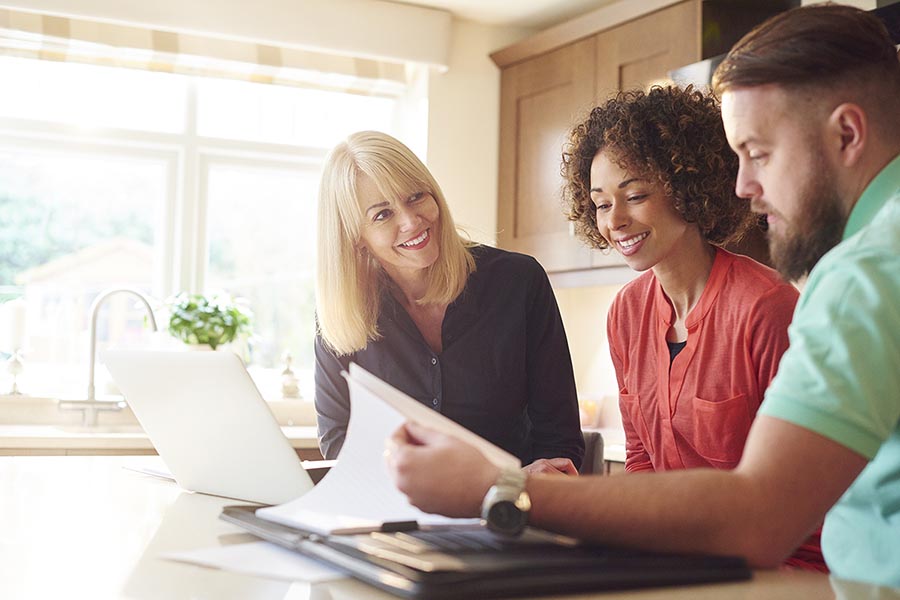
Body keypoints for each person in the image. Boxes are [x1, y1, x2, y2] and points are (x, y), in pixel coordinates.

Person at [387, 4, 900, 588]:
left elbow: (763, 515)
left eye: (758, 153)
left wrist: (501, 488)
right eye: (602, 202)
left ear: (847, 133)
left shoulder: (858, 276)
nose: (744, 185)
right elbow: (647, 470)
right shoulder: (632, 311)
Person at [562, 85, 824, 571]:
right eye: (600, 204)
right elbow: (641, 462)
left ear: (688, 189)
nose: (615, 220)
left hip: (772, 569)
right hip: (672, 562)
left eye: (635, 195)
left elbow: (809, 497)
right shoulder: (625, 313)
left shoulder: (766, 308)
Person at [314, 130, 584, 474]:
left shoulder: (518, 282)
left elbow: (559, 440)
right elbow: (339, 439)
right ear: (356, 238)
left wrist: (511, 487)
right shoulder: (344, 312)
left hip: (512, 512)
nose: (412, 221)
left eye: (415, 197)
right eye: (382, 214)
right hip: (398, 514)